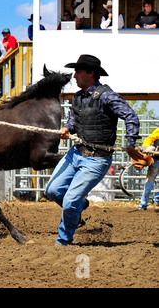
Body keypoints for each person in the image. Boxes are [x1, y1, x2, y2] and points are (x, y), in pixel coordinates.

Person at [45, 54, 144, 246]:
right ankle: (80, 206)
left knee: (70, 201)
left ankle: (63, 240)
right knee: (53, 190)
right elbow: (75, 120)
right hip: (76, 153)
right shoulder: (77, 97)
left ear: (90, 73)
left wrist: (130, 144)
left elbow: (131, 116)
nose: (74, 76)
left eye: (77, 71)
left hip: (97, 159)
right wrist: (67, 128)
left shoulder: (107, 96)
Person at [138, 128, 159, 211]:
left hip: (156, 160)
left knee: (149, 183)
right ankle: (143, 206)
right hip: (155, 160)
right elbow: (149, 139)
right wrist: (146, 147)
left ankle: (157, 200)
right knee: (149, 185)